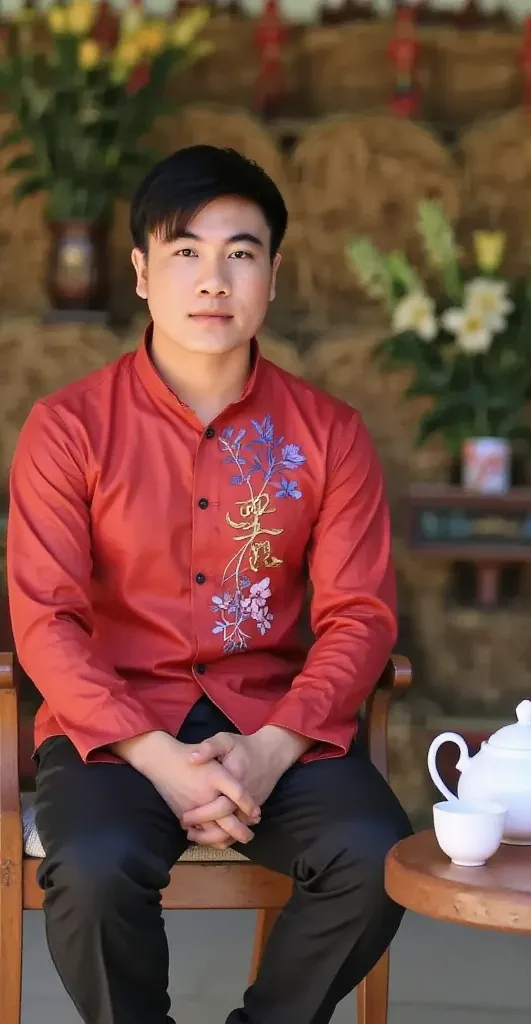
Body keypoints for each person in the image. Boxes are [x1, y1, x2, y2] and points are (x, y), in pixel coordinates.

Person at [7, 144, 412, 1024]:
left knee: (376, 853)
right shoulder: (68, 428)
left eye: (241, 252)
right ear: (143, 273)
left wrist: (271, 749)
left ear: (274, 273)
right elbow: (46, 622)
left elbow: (360, 616)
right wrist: (158, 759)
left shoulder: (330, 435)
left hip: (270, 721)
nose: (214, 278)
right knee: (96, 866)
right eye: (186, 251)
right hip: (110, 730)